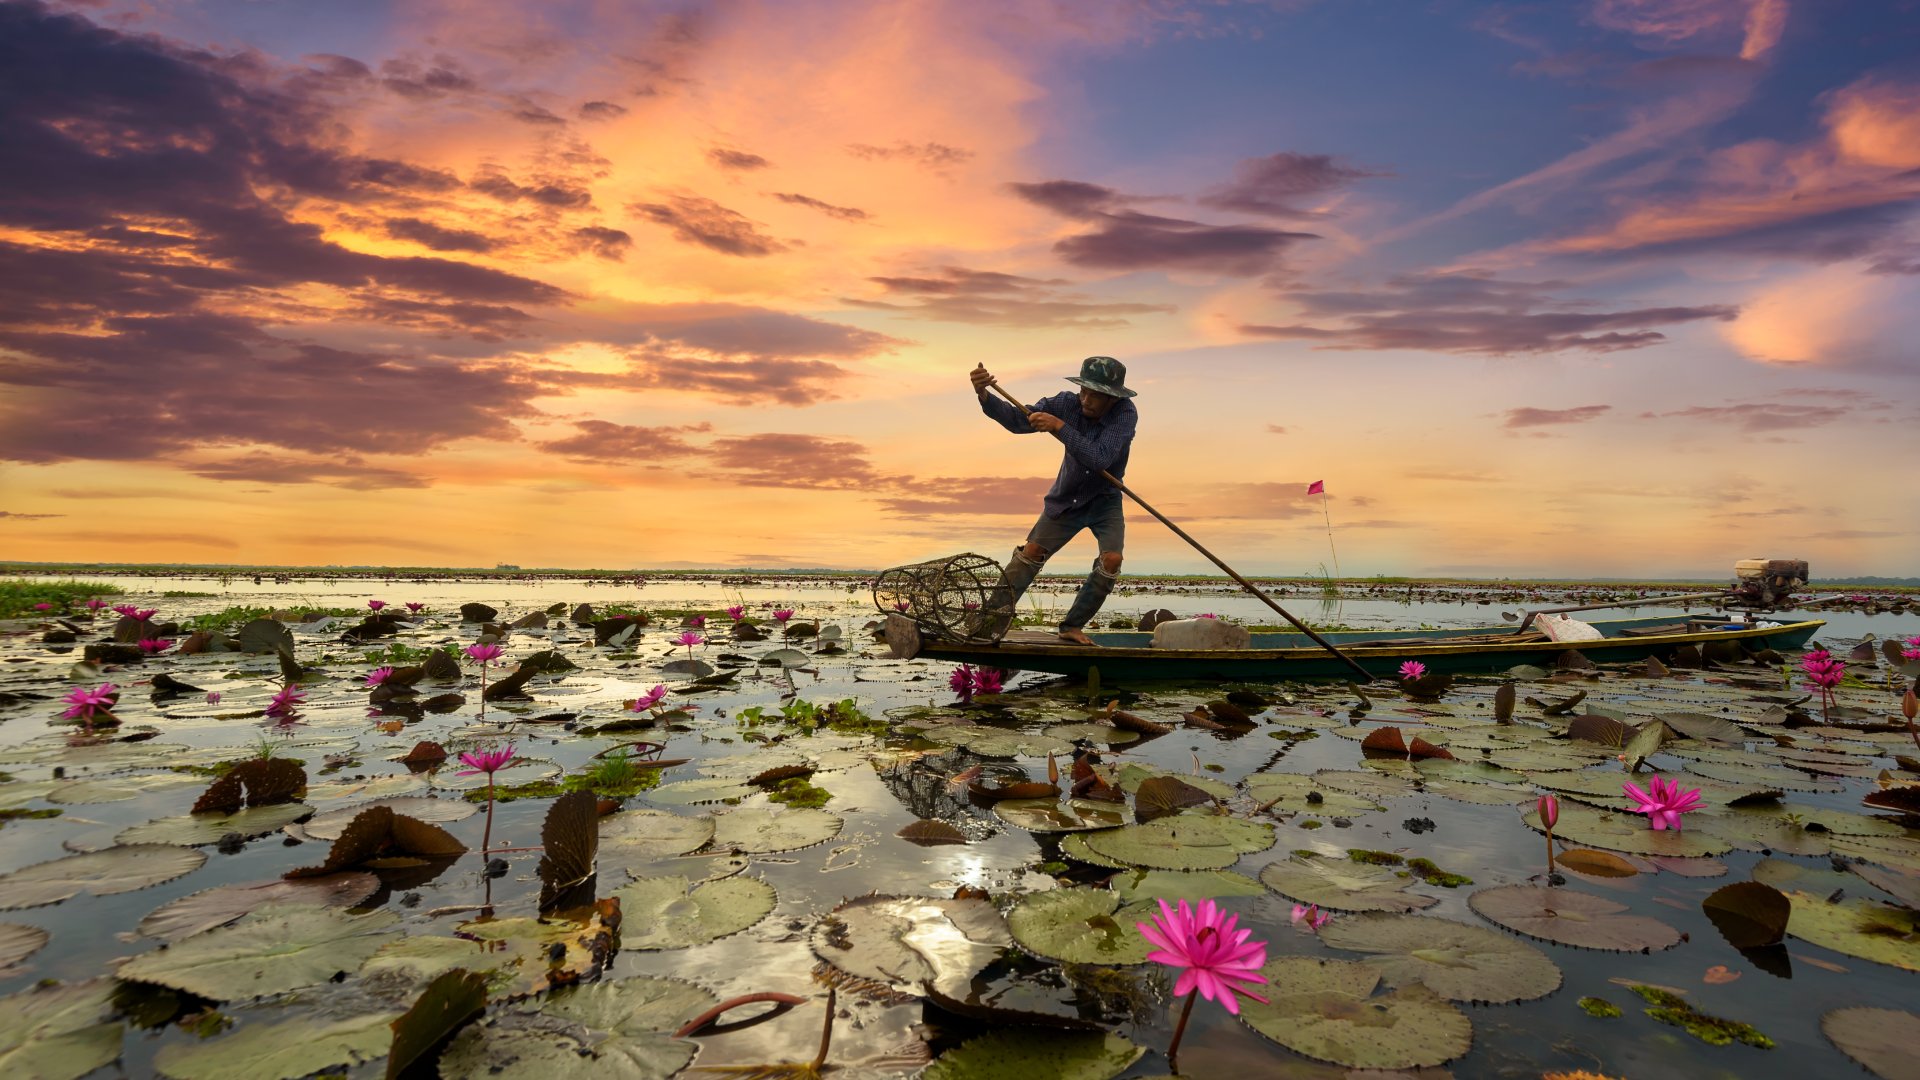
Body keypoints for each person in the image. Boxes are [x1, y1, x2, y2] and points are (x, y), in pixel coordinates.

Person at [969, 356, 1138, 645]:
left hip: (1105, 499)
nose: (1086, 399)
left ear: (1112, 397)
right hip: (1067, 496)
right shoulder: (1065, 403)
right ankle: (988, 624)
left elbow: (1100, 458)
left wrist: (1060, 427)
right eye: (1084, 390)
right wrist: (984, 394)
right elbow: (1018, 422)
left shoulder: (1125, 414)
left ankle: (1071, 626)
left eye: (1095, 395)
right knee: (1031, 552)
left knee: (1112, 559)